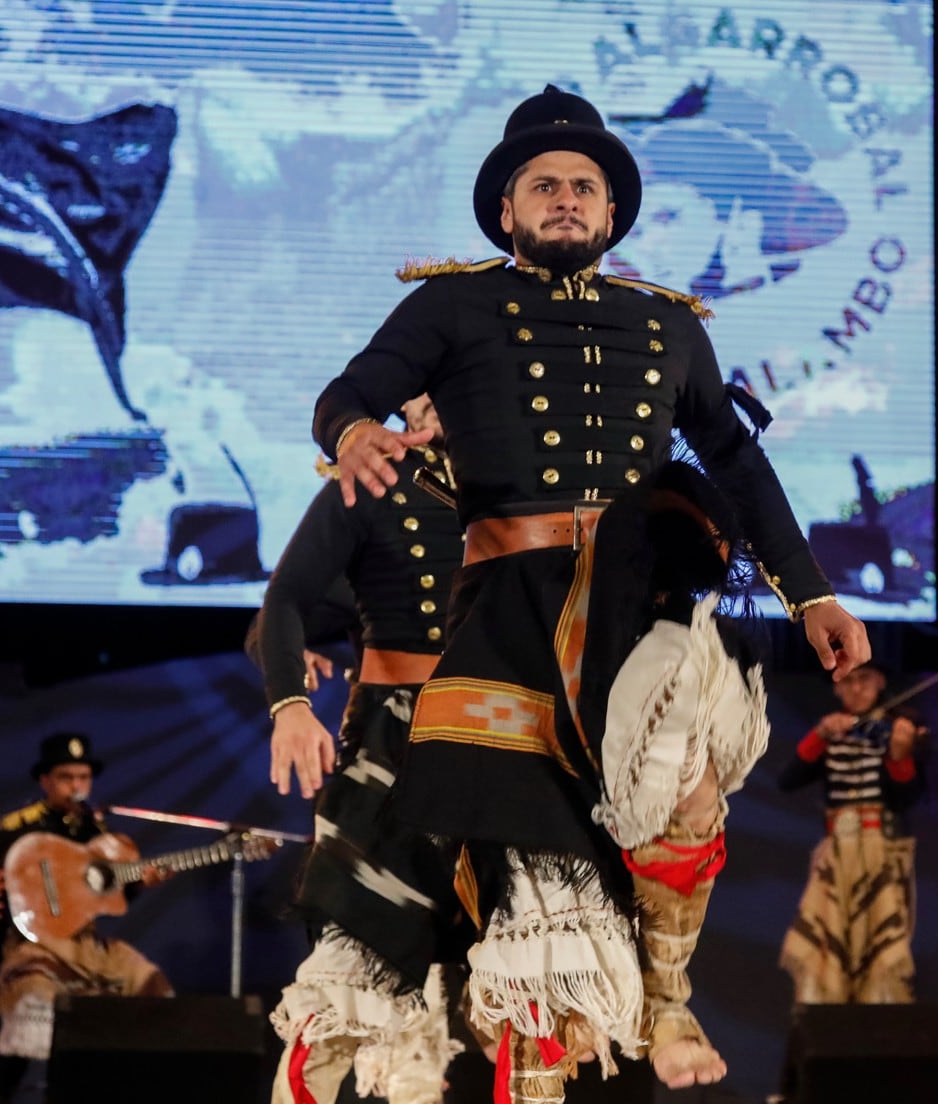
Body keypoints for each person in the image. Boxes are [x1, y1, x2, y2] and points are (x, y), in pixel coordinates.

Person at [310, 84, 870, 1102]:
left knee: (687, 795)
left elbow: (737, 470)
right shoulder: (449, 304)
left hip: (637, 607)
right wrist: (353, 432)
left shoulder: (667, 326)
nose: (566, 200)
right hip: (511, 616)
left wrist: (811, 595)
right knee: (530, 869)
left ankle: (665, 994)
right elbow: (350, 390)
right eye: (544, 187)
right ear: (506, 212)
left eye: (584, 187)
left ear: (611, 215)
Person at [252, 393, 473, 1104]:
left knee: (521, 979)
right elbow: (282, 605)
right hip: (393, 747)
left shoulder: (526, 485)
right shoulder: (375, 480)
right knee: (355, 970)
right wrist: (290, 701)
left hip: (507, 746)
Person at [0, 733, 173, 1097]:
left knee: (144, 978)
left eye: (83, 778)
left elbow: (111, 896)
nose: (76, 786)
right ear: (46, 781)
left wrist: (141, 882)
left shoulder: (97, 832)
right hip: (32, 944)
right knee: (32, 999)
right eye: (66, 777)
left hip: (84, 945)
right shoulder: (20, 828)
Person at [776, 662, 929, 1005]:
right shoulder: (834, 732)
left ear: (880, 682)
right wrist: (820, 734)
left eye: (864, 680)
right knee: (826, 939)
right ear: (836, 689)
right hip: (837, 852)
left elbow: (907, 797)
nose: (856, 689)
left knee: (880, 939)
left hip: (880, 851)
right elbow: (787, 780)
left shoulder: (893, 731)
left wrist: (899, 755)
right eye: (847, 682)